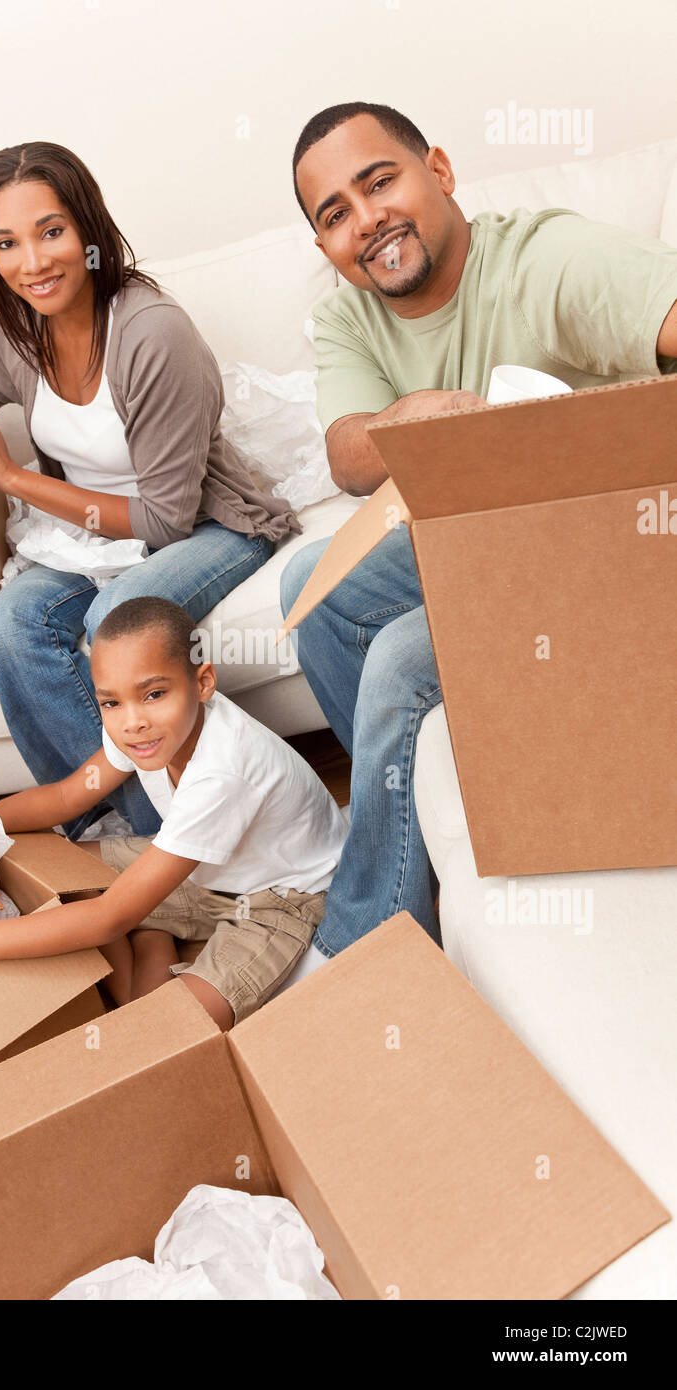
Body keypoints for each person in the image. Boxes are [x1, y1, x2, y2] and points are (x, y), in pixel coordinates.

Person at [0, 142, 300, 842]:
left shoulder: (153, 333)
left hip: (205, 525)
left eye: (50, 232)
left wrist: (12, 479)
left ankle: (178, 843)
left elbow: (165, 521)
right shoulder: (13, 328)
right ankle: (113, 838)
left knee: (117, 617)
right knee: (7, 626)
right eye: (6, 244)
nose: (32, 263)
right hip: (92, 538)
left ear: (88, 229)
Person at [280, 101, 677, 955]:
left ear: (442, 171)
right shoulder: (350, 314)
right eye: (335, 214)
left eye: (379, 181)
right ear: (325, 249)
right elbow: (351, 459)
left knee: (396, 660)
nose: (367, 220)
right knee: (310, 592)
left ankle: (373, 944)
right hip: (489, 551)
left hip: (616, 549)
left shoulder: (545, 260)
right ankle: (416, 817)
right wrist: (418, 414)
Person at [0, 597, 349, 1030]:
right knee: (58, 875)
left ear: (203, 682)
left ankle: (149, 945)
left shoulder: (223, 770)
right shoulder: (140, 727)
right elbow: (66, 798)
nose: (131, 721)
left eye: (153, 693)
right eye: (111, 702)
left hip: (278, 901)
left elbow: (108, 917)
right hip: (203, 872)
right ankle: (153, 938)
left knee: (159, 1032)